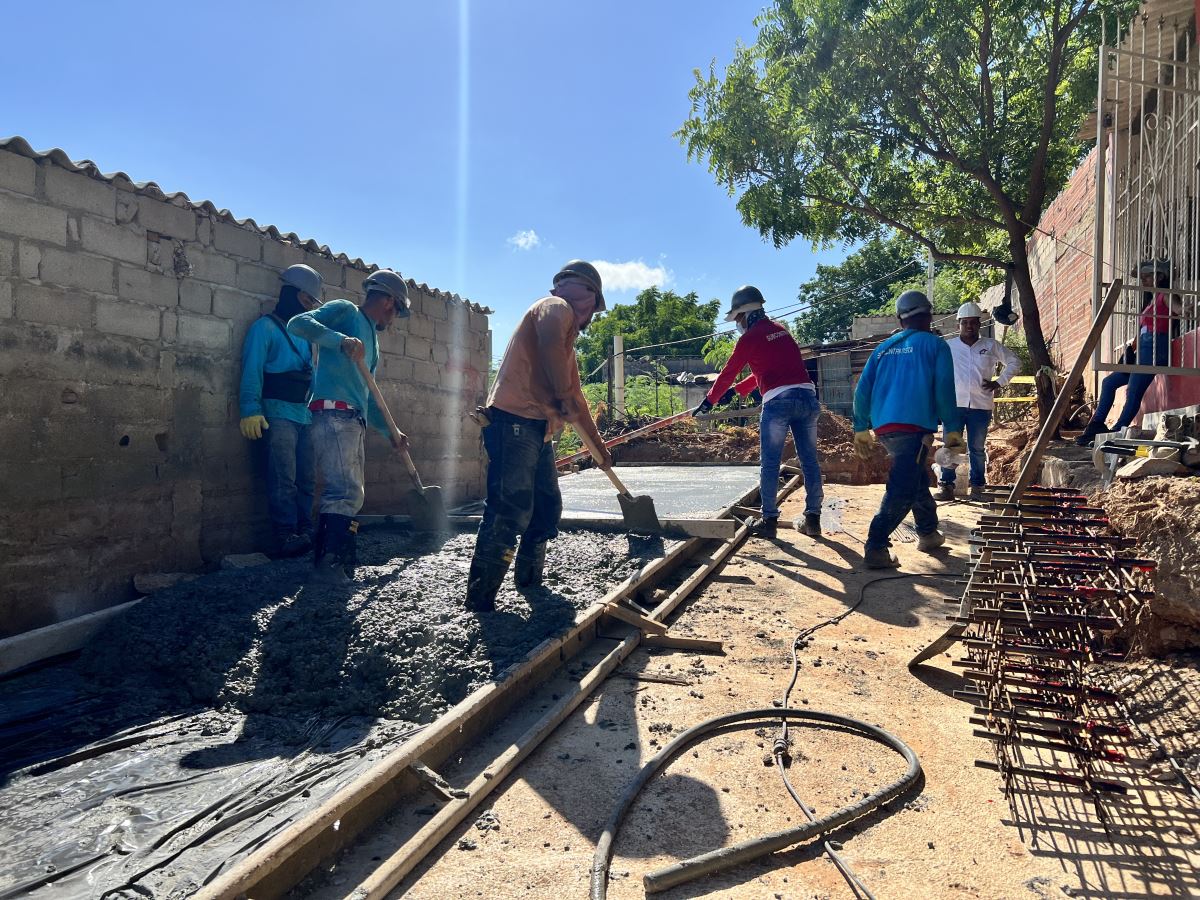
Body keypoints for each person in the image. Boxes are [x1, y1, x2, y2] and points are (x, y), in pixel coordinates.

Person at [466, 260, 613, 612]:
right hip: (513, 420)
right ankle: (480, 601)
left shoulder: (567, 350)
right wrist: (561, 394)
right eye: (593, 306)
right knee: (510, 506)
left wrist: (599, 449)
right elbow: (557, 365)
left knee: (546, 507)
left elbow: (576, 400)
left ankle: (529, 584)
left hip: (537, 430)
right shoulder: (554, 307)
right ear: (589, 297)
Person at [287, 270, 411, 584]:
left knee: (352, 493)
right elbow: (298, 324)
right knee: (344, 491)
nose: (394, 319)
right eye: (397, 311)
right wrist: (341, 341)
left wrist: (391, 433)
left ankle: (340, 562)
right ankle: (327, 567)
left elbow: (368, 397)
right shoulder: (346, 311)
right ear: (388, 301)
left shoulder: (372, 342)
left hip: (353, 418)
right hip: (333, 414)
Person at [694, 285, 823, 538]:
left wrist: (710, 400)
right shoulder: (781, 332)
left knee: (770, 463)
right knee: (809, 461)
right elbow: (763, 372)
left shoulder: (749, 339)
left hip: (778, 403)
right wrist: (735, 391)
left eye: (737, 319)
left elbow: (728, 371)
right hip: (807, 399)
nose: (737, 324)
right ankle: (813, 519)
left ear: (744, 313)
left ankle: (769, 521)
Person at [852, 290, 964, 569]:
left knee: (915, 477)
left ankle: (927, 532)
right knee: (902, 486)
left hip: (886, 428)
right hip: (913, 427)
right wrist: (952, 428)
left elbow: (862, 390)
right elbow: (944, 390)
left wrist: (860, 428)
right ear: (928, 315)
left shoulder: (883, 349)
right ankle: (876, 546)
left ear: (901, 320)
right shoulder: (936, 345)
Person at [238, 264, 324, 557]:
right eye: (310, 301)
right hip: (276, 414)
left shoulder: (305, 336)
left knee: (307, 478)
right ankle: (286, 535)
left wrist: (315, 409)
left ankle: (306, 531)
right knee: (283, 477)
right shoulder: (264, 328)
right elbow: (252, 370)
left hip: (304, 414)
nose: (311, 307)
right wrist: (250, 408)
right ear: (297, 296)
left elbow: (312, 375)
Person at [1076, 260, 1181, 445]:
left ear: (1160, 277)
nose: (1144, 281)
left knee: (1133, 391)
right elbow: (1141, 331)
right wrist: (1130, 351)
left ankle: (1118, 430)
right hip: (1141, 350)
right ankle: (1097, 425)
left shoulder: (1165, 294)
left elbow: (1177, 309)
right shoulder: (1150, 301)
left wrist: (1185, 309)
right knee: (1109, 382)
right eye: (1143, 277)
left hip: (1155, 347)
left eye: (1148, 276)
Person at [936, 301, 1020, 501]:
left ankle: (977, 488)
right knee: (951, 446)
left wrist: (999, 382)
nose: (969, 326)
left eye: (973, 322)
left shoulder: (990, 346)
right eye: (965, 323)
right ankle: (947, 486)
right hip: (954, 406)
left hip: (981, 407)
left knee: (977, 449)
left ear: (979, 325)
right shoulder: (949, 347)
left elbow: (1015, 361)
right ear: (959, 325)